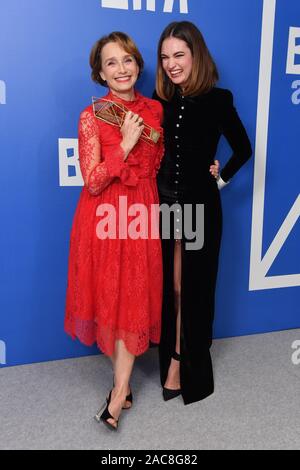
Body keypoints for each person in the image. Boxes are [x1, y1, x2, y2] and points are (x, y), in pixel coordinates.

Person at [64, 32, 164, 429]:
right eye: (111, 63)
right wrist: (123, 145)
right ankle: (122, 385)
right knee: (110, 298)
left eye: (127, 60)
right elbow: (92, 180)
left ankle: (119, 392)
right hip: (104, 216)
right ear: (100, 72)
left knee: (133, 298)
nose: (121, 69)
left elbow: (158, 165)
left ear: (138, 65)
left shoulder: (155, 110)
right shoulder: (92, 116)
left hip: (141, 212)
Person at [153, 21, 252, 405]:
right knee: (173, 287)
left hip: (198, 207)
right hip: (166, 206)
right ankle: (173, 355)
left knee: (192, 287)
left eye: (179, 55)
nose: (171, 64)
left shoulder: (218, 99)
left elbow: (242, 149)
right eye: (165, 57)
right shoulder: (158, 101)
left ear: (196, 55)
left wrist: (220, 177)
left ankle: (184, 362)